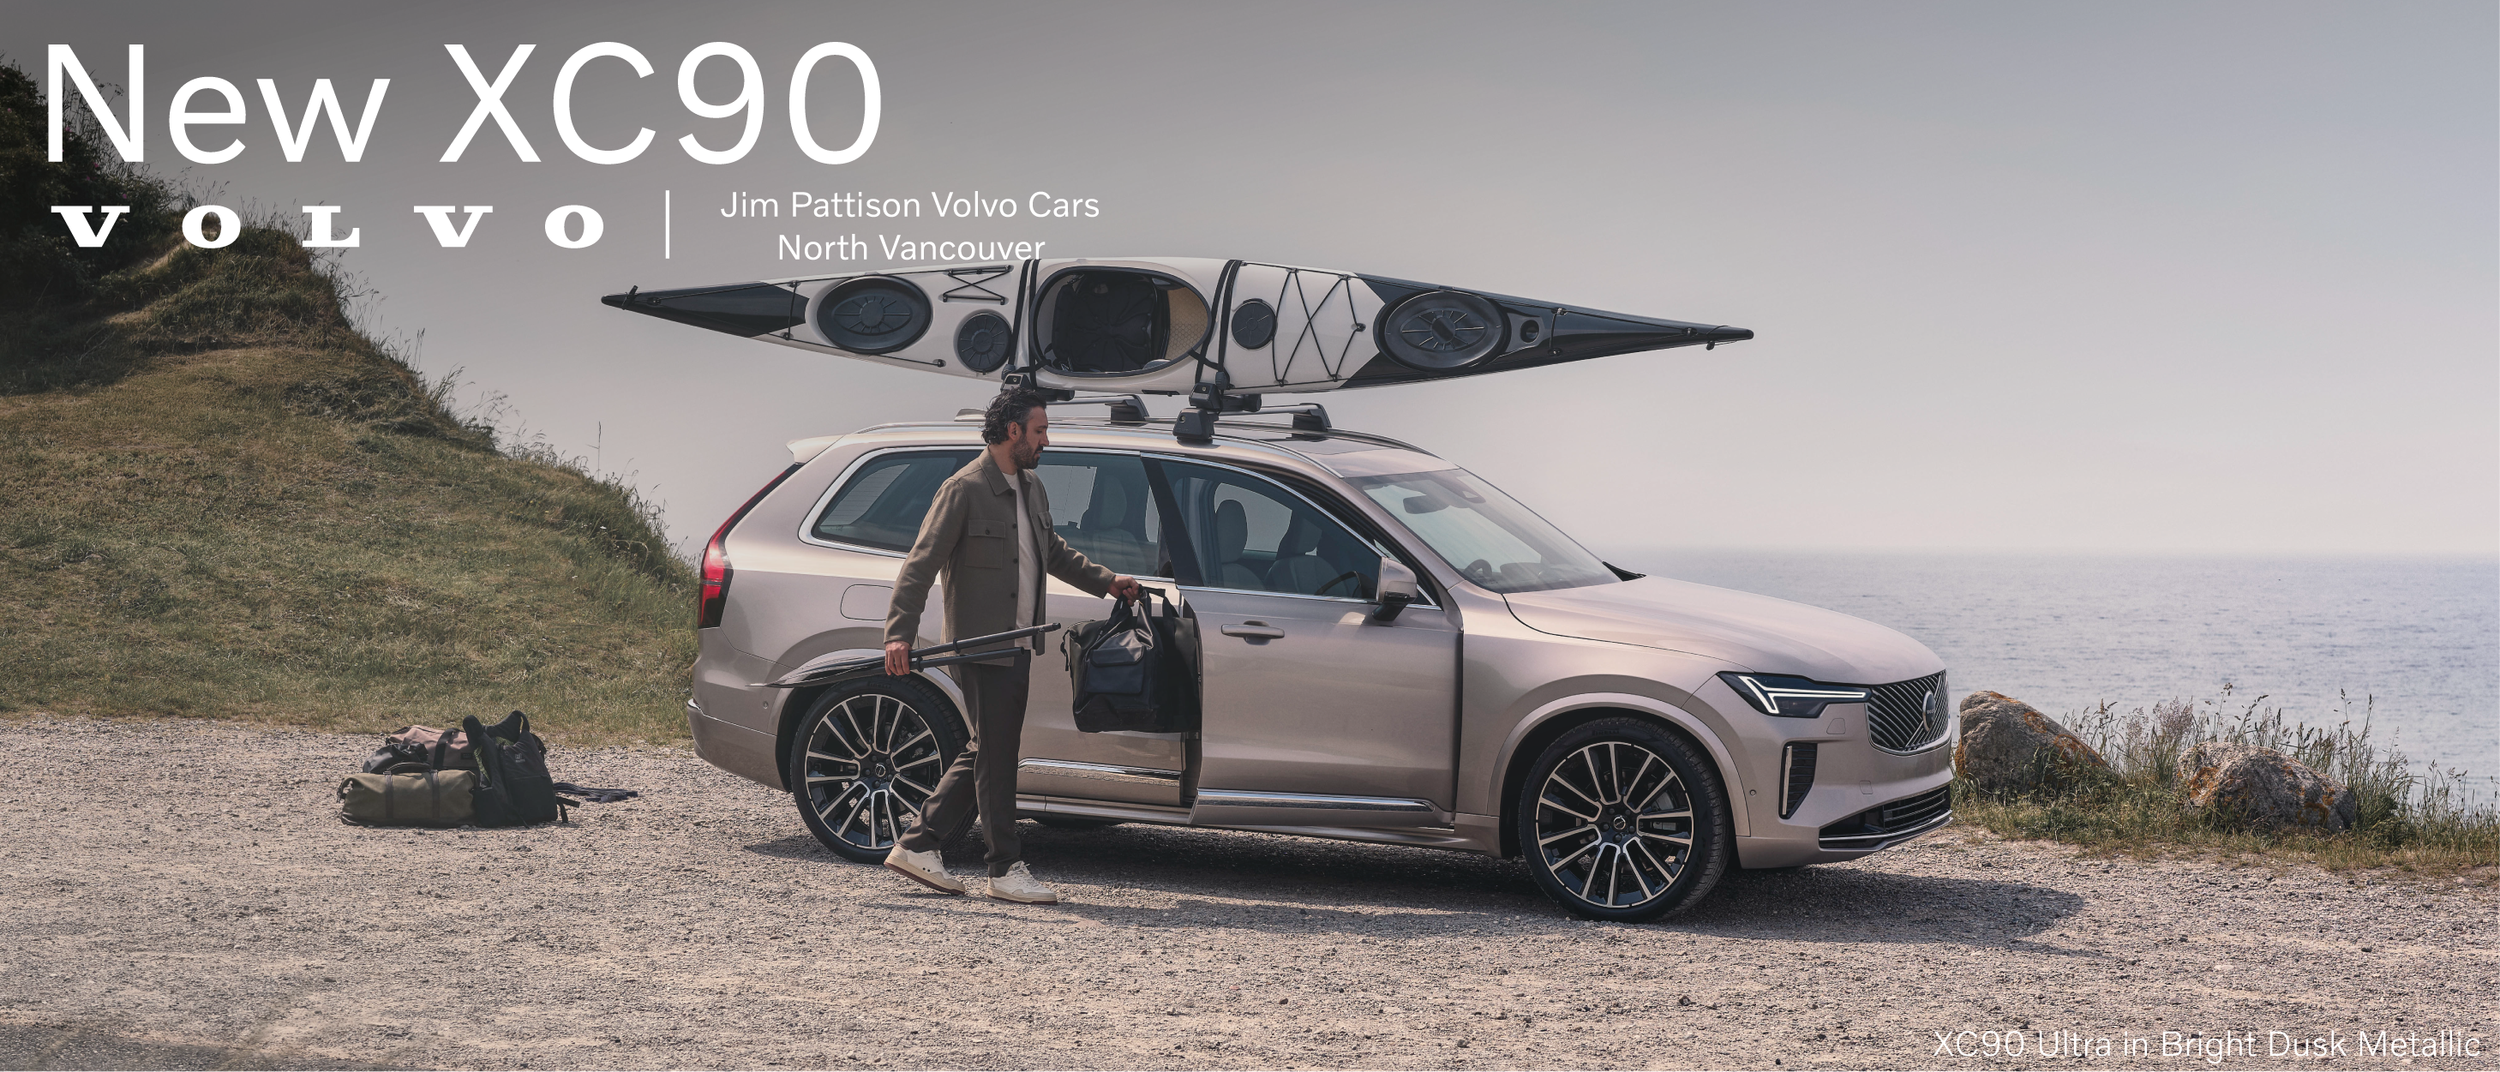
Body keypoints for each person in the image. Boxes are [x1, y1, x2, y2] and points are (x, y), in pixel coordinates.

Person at [880, 385, 1140, 903]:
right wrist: (898, 634)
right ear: (1013, 431)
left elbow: (1052, 551)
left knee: (989, 748)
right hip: (981, 644)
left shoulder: (1032, 488)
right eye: (1040, 430)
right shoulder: (964, 489)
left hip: (1018, 643)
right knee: (997, 753)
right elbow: (920, 564)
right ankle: (1002, 867)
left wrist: (1106, 581)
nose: (1047, 440)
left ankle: (919, 844)